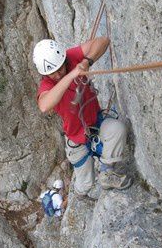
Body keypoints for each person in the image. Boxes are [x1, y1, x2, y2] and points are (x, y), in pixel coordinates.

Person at [33, 37, 132, 200]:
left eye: (60, 68)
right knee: (86, 183)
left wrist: (87, 61)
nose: (58, 74)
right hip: (77, 140)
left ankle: (107, 174)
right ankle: (77, 198)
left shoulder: (71, 57)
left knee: (118, 130)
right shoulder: (47, 86)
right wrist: (71, 75)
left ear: (63, 59)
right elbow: (44, 105)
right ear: (44, 74)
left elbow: (103, 41)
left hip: (96, 124)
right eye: (53, 73)